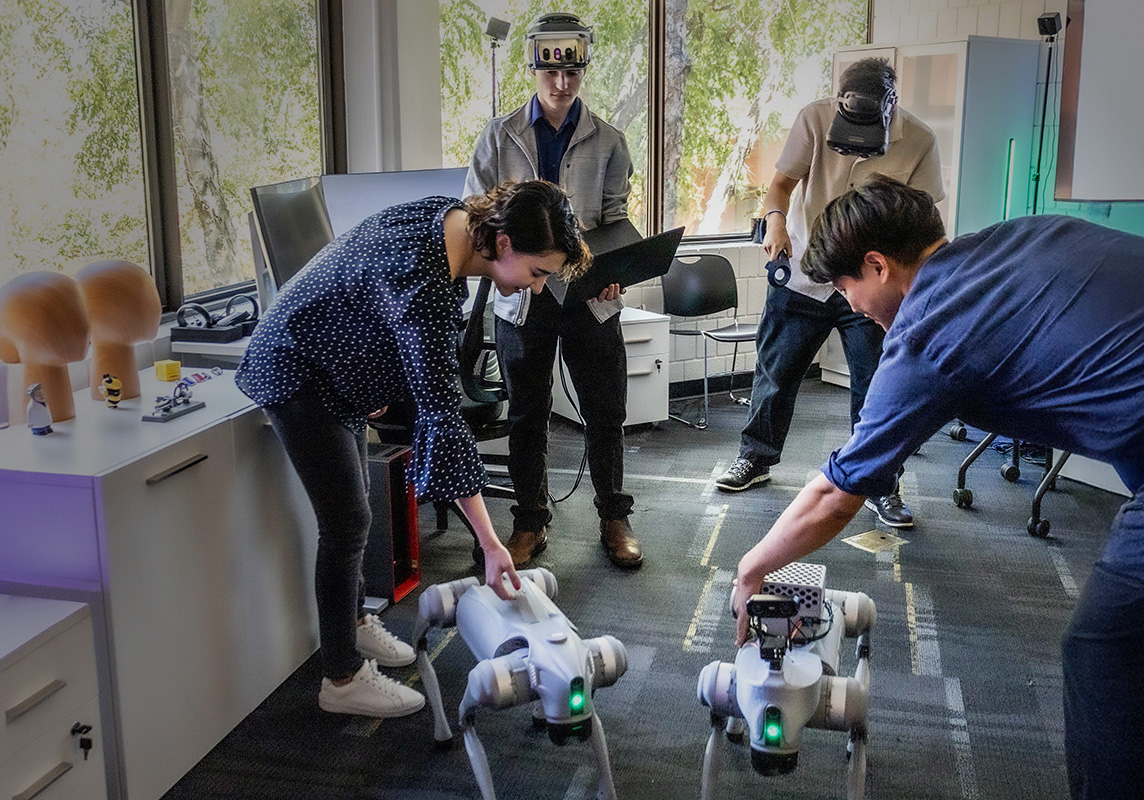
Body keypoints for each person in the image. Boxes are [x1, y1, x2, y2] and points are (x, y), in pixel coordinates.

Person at [731, 175, 1144, 800]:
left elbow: (837, 492)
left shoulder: (927, 329)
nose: (850, 304)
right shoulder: (1021, 234)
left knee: (1104, 654)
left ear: (877, 265)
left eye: (847, 288)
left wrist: (752, 567)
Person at [235, 180, 591, 718]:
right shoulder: (424, 285)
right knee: (348, 523)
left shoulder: (447, 219)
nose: (538, 289)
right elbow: (442, 420)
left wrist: (378, 375)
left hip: (337, 370)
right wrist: (492, 544)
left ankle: (353, 625)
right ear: (502, 243)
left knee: (357, 511)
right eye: (538, 273)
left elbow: (365, 295)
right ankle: (341, 677)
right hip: (297, 371)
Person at [714, 57, 944, 530]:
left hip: (870, 283)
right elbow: (780, 185)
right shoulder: (815, 118)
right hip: (804, 272)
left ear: (890, 108)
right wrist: (775, 221)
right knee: (775, 373)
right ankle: (755, 459)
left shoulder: (920, 140)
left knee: (876, 386)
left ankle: (879, 482)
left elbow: (922, 220)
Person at [464, 12, 642, 570]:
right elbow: (475, 213)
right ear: (535, 66)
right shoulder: (499, 136)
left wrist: (615, 269)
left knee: (605, 410)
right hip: (521, 301)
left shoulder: (609, 141)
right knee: (527, 415)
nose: (561, 85)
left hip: (589, 296)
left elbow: (615, 218)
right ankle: (529, 523)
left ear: (583, 66)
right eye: (550, 73)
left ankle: (614, 516)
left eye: (572, 73)